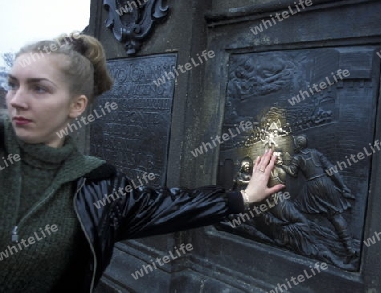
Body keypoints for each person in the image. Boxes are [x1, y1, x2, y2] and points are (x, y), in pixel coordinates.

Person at [0, 33, 284, 293]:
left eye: (39, 89)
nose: (16, 100)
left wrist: (243, 198)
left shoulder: (96, 184)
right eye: (13, 85)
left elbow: (167, 205)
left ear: (77, 105)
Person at [281, 134, 357, 257]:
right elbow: (331, 170)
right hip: (326, 183)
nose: (293, 145)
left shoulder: (298, 158)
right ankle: (349, 248)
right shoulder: (316, 153)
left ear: (298, 145)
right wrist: (343, 187)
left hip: (313, 186)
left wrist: (282, 164)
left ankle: (303, 239)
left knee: (297, 208)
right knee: (335, 215)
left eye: (295, 143)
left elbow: (292, 173)